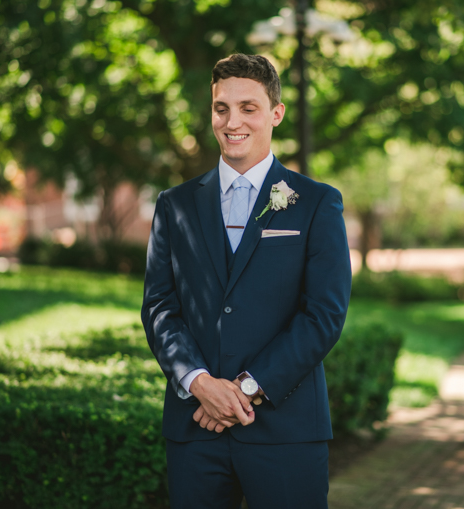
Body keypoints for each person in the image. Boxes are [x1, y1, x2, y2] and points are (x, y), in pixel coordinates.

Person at [141, 53, 352, 508]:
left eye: (248, 108)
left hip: (285, 430)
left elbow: (323, 315)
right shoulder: (173, 206)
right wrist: (199, 383)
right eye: (221, 108)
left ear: (276, 114)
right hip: (196, 429)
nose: (232, 121)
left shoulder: (317, 203)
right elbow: (160, 308)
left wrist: (244, 392)